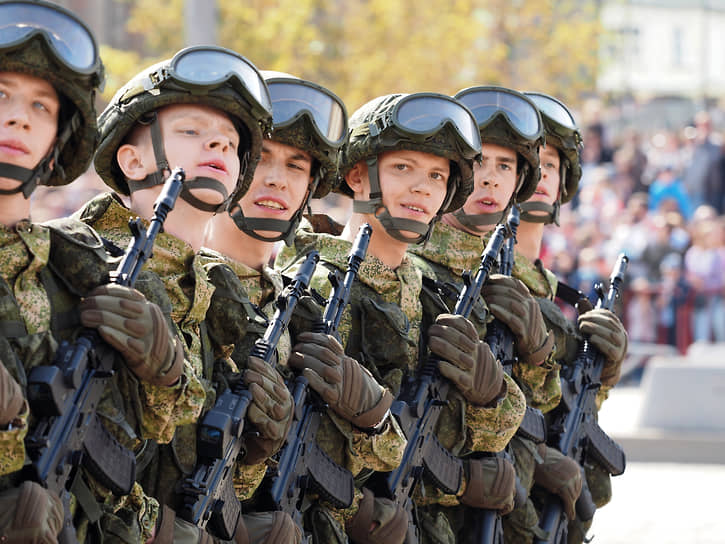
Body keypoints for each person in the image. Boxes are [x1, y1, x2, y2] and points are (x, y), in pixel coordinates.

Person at [277, 91, 526, 544]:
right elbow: (279, 443)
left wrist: (493, 398)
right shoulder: (312, 289)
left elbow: (482, 439)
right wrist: (357, 505)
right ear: (357, 176)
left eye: (436, 175)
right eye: (403, 168)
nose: (422, 188)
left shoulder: (437, 297)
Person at [0, 2, 203, 542]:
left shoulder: (82, 265)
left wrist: (167, 369)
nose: (19, 117)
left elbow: (150, 436)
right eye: (1, 96)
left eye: (42, 107)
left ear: (57, 142)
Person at [76, 46, 294, 542]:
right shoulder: (77, 262)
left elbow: (211, 479)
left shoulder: (228, 295)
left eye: (230, 142)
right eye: (192, 131)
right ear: (131, 159)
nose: (218, 146)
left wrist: (256, 448)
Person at [202, 71, 391, 543]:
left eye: (295, 165)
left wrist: (372, 411)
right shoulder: (183, 288)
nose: (275, 179)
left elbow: (377, 462)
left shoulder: (307, 308)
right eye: (260, 158)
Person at [406, 86, 556, 543]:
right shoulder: (411, 264)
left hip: (507, 497)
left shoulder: (512, 275)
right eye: (478, 164)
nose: (490, 180)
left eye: (505, 166)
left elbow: (544, 407)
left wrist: (538, 353)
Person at [518, 92, 628, 543]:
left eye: (551, 163)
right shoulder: (473, 280)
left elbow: (565, 410)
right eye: (527, 162)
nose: (540, 175)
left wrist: (601, 376)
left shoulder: (556, 293)